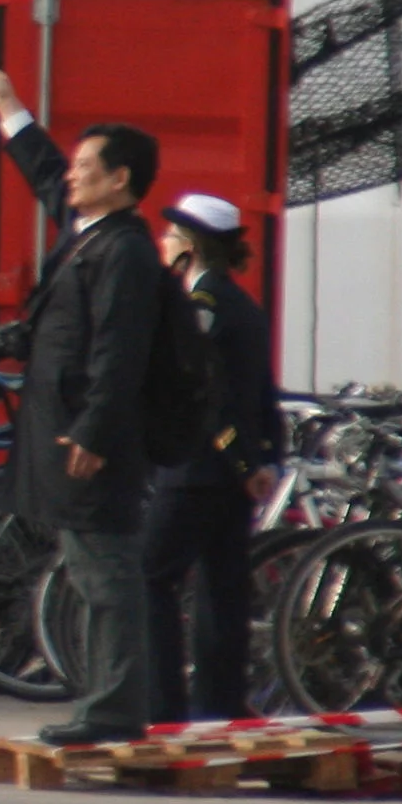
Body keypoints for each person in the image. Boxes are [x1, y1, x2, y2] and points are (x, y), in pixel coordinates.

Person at [0, 61, 169, 747]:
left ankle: (113, 710)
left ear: (121, 179)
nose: (73, 174)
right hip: (67, 432)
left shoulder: (125, 254)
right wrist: (9, 109)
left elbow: (120, 351)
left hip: (90, 440)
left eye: (88, 165)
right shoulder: (91, 234)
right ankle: (102, 701)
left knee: (106, 573)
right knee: (88, 570)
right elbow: (48, 177)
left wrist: (93, 429)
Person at [144, 194, 280, 723]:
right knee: (221, 589)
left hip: (197, 468)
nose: (162, 244)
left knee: (151, 577)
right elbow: (263, 394)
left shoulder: (201, 309)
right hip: (234, 471)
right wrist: (263, 462)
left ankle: (163, 706)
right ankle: (218, 705)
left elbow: (211, 395)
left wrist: (243, 463)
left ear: (189, 247)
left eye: (169, 236)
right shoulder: (242, 304)